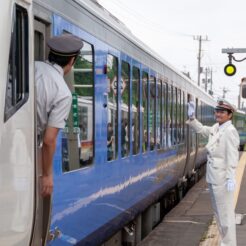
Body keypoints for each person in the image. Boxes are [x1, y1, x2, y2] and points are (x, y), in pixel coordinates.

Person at [36, 34, 83, 197]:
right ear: (72, 61)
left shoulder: (31, 67)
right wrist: (47, 175)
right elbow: (49, 140)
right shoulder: (63, 93)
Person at [187, 98, 239, 246]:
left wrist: (230, 177)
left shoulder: (230, 131)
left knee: (225, 215)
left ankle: (229, 244)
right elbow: (203, 130)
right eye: (217, 111)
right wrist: (192, 118)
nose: (218, 114)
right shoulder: (217, 127)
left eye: (222, 112)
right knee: (219, 214)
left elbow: (232, 156)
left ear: (230, 115)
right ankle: (224, 242)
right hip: (213, 178)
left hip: (222, 179)